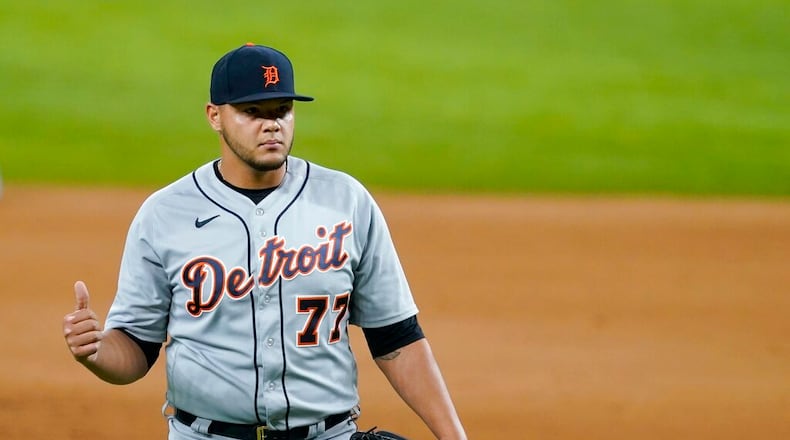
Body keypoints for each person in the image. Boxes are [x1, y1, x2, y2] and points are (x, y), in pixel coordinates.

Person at [62, 42, 467, 440]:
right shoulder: (165, 214)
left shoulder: (346, 202)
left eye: (282, 111)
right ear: (215, 116)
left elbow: (396, 338)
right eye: (251, 112)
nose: (271, 124)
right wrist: (96, 353)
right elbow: (136, 345)